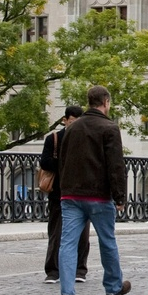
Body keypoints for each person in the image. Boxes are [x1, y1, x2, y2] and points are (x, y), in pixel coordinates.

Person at [57, 85, 130, 295]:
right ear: (106, 102)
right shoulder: (109, 128)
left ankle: (67, 292)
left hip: (70, 194)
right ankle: (113, 286)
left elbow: (63, 160)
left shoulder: (72, 128)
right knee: (107, 241)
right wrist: (119, 197)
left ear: (89, 101)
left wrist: (65, 188)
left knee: (67, 243)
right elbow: (115, 165)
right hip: (98, 195)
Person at [40, 106, 90, 284]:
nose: (75, 125)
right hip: (59, 193)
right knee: (56, 232)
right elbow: (45, 162)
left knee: (82, 234)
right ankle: (53, 271)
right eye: (72, 121)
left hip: (81, 192)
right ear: (65, 120)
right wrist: (65, 162)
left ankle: (79, 270)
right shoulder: (54, 138)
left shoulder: (86, 139)